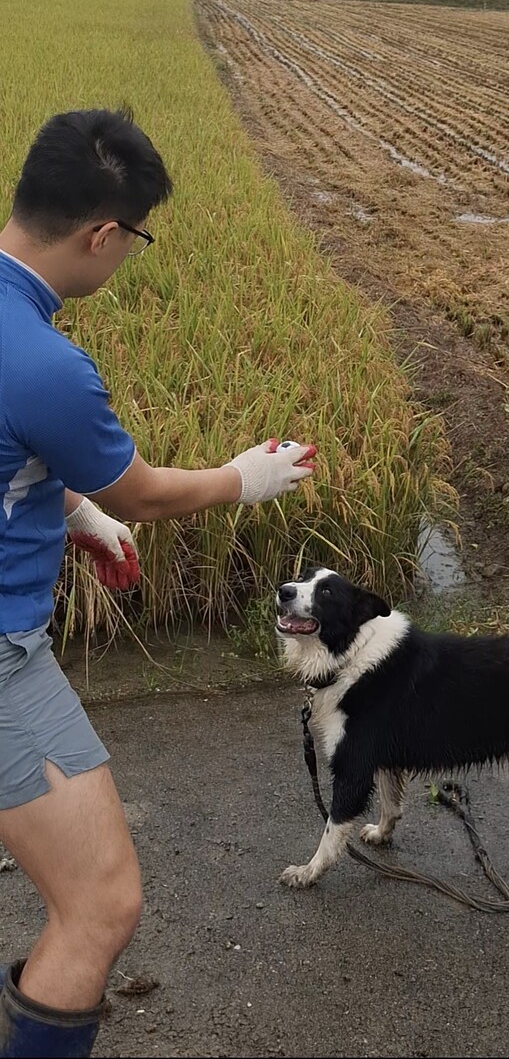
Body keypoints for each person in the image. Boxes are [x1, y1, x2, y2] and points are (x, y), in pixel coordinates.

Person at [0, 108, 316, 1058]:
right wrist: (243, 477)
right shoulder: (45, 362)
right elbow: (137, 491)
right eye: (135, 238)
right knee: (100, 903)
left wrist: (60, 510)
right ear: (103, 233)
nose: (128, 255)